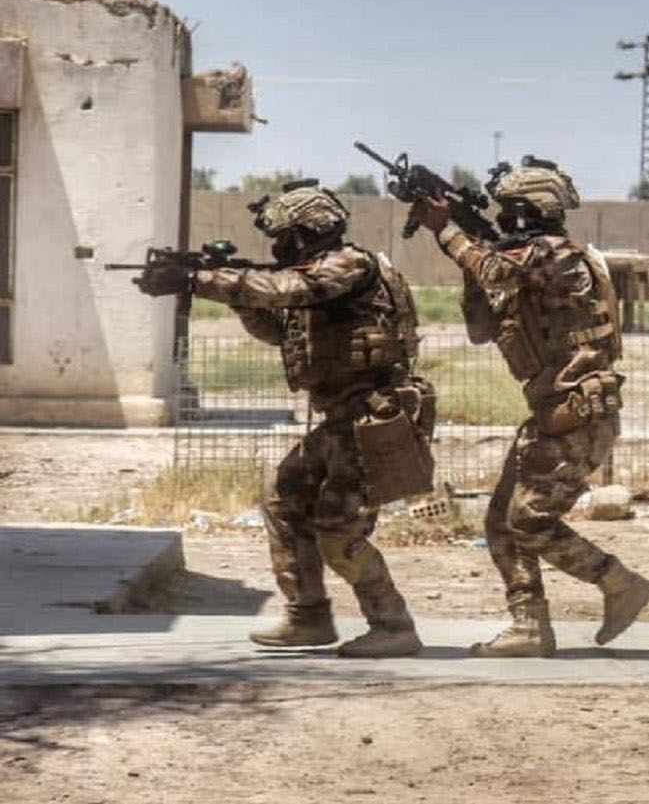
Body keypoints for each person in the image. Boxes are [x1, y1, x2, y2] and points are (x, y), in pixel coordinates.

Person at [137, 181, 432, 657]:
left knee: (338, 530)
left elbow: (288, 289)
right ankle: (307, 616)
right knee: (283, 498)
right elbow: (276, 329)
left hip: (372, 416)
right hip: (341, 419)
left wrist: (202, 280)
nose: (278, 249)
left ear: (307, 231)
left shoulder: (349, 265)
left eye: (284, 238)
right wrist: (236, 293)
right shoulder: (311, 281)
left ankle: (393, 625)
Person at [410, 156, 649, 658]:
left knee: (529, 520)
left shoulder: (556, 255)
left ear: (528, 210)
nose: (501, 219)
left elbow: (493, 267)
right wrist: (469, 259)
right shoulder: (524, 265)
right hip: (553, 413)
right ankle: (529, 626)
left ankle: (618, 582)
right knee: (501, 522)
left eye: (508, 210)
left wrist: (448, 231)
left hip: (577, 414)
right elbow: (481, 329)